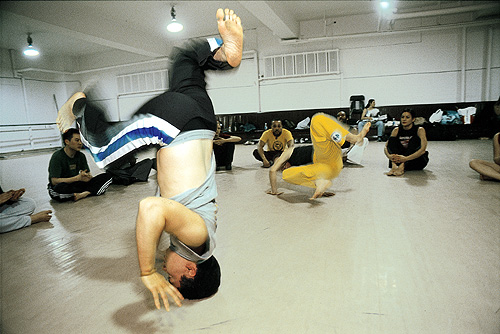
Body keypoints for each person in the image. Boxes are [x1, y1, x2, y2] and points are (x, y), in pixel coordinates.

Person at [56, 8, 243, 311]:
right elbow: (150, 208)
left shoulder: (198, 238)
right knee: (104, 151)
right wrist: (148, 272)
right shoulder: (197, 238)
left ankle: (220, 51)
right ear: (190, 270)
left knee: (183, 59)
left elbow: (161, 225)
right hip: (174, 125)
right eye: (174, 278)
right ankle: (78, 103)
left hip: (203, 116)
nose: (168, 275)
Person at [268, 113, 371, 198]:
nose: (283, 167)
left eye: (282, 165)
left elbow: (272, 170)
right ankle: (320, 184)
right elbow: (310, 175)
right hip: (329, 162)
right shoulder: (305, 166)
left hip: (324, 150)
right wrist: (321, 189)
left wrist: (273, 191)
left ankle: (354, 139)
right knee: (286, 175)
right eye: (281, 168)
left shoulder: (288, 152)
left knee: (317, 119)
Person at [47, 128, 113, 202]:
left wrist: (87, 177)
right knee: (59, 189)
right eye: (77, 140)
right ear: (67, 141)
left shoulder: (81, 156)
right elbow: (54, 181)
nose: (80, 143)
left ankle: (85, 194)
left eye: (81, 140)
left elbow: (87, 174)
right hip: (64, 186)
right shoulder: (57, 156)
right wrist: (77, 178)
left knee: (107, 176)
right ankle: (91, 191)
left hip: (77, 185)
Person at [384, 109, 429, 176]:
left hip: (416, 160)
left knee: (415, 139)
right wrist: (390, 157)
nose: (404, 119)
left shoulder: (419, 130)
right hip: (399, 158)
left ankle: (402, 166)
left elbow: (422, 150)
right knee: (392, 139)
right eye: (402, 117)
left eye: (407, 117)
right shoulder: (396, 130)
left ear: (413, 119)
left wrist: (405, 159)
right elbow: (386, 147)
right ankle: (394, 167)